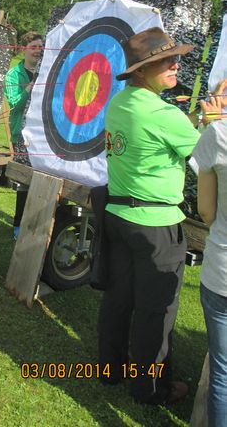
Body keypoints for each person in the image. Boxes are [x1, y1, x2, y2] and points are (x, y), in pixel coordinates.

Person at [98, 26, 202, 404]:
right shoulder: (164, 114)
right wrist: (217, 120)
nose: (175, 64)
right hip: (156, 226)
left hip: (118, 216)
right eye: (164, 61)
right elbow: (213, 158)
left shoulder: (118, 103)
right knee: (155, 311)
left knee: (119, 297)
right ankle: (150, 387)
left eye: (175, 58)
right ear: (141, 70)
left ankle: (110, 369)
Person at [192, 85, 227, 426]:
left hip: (222, 274)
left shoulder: (218, 133)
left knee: (223, 374)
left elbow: (206, 212)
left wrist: (212, 125)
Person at [4, 31, 43, 239]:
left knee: (41, 182)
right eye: (34, 47)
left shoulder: (46, 70)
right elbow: (14, 105)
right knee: (23, 183)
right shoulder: (13, 75)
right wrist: (30, 86)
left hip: (42, 137)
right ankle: (19, 225)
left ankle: (35, 223)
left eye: (40, 47)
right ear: (24, 50)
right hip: (22, 136)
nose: (38, 51)